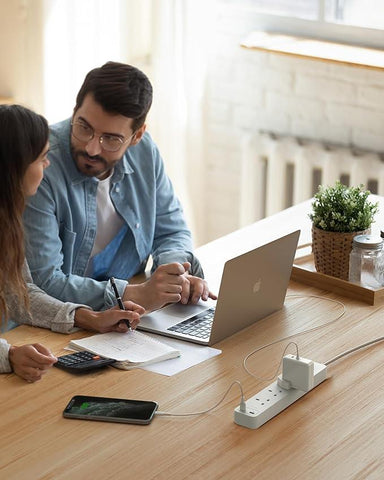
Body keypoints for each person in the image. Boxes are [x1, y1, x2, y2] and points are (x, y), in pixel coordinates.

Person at [24, 62, 216, 312]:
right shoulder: (40, 165)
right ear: (74, 111)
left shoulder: (145, 152)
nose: (92, 148)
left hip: (128, 315)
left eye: (111, 139)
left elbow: (171, 230)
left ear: (137, 136)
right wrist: (134, 294)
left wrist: (173, 275)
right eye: (84, 127)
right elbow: (44, 282)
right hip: (64, 319)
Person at [0, 104, 145, 383]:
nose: (48, 164)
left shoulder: (9, 220)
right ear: (15, 166)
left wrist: (88, 317)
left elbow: (18, 293)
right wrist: (8, 355)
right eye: (41, 158)